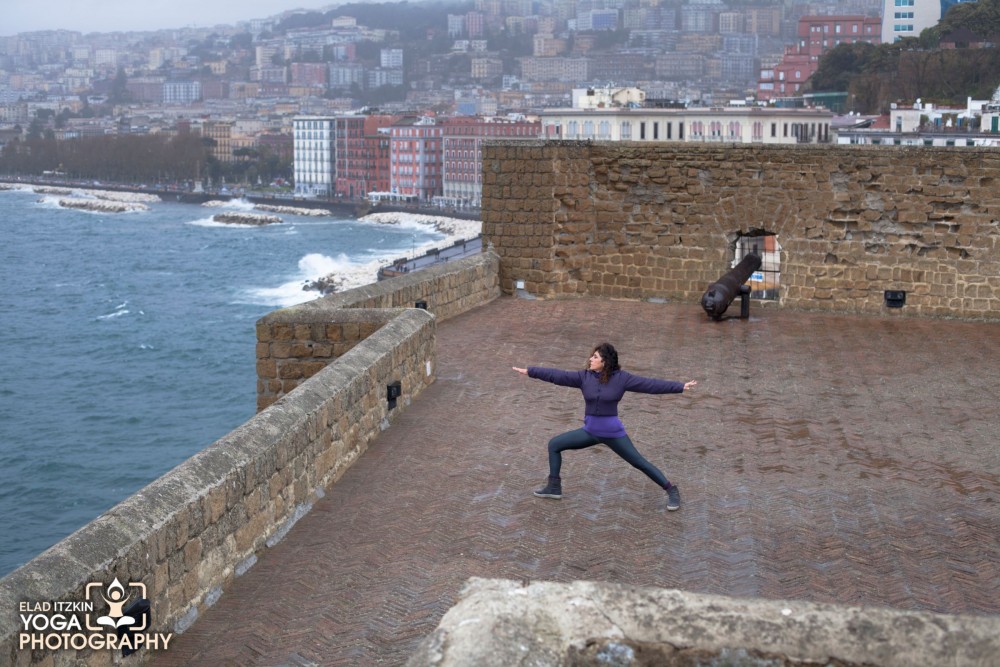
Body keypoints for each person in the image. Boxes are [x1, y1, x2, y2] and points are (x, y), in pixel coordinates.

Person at [512, 343, 696, 511]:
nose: (591, 360)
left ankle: (671, 490)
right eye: (591, 356)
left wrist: (679, 386)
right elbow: (557, 375)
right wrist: (531, 371)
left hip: (613, 434)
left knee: (639, 462)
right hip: (590, 432)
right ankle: (553, 487)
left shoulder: (622, 379)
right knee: (554, 445)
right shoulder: (584, 377)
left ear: (605, 361)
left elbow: (650, 385)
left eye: (595, 357)